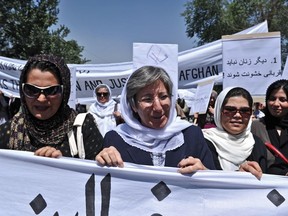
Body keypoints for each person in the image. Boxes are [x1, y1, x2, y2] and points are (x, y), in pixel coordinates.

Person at [96, 65, 215, 173]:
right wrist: (102, 161)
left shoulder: (192, 135)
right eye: (148, 99)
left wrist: (205, 172)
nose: (158, 107)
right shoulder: (116, 139)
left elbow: (216, 189)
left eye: (163, 97)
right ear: (133, 105)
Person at [0, 54, 103, 159]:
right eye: (32, 90)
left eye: (51, 90)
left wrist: (106, 159)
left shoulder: (83, 128)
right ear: (22, 91)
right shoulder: (8, 132)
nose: (41, 98)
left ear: (64, 92)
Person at [202, 87, 267, 180]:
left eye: (244, 111)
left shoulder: (256, 143)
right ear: (219, 111)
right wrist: (237, 176)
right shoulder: (204, 142)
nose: (237, 115)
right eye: (230, 110)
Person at [251, 79, 288, 175]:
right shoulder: (256, 126)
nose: (276, 104)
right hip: (264, 185)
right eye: (272, 99)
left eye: (282, 100)